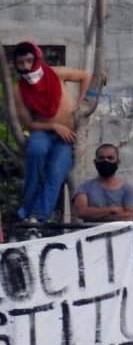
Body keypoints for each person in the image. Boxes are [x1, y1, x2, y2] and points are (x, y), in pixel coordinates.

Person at [11, 41, 95, 223]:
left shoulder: (55, 73)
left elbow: (86, 76)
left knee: (56, 172)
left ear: (37, 58)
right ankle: (27, 208)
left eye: (29, 60)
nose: (26, 66)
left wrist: (81, 102)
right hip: (43, 131)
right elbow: (28, 123)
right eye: (21, 63)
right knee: (35, 153)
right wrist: (55, 126)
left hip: (66, 138)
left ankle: (37, 217)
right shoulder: (19, 90)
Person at [72, 143, 133, 222]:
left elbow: (130, 216)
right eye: (101, 158)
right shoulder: (84, 187)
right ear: (95, 162)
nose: (105, 161)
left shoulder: (128, 189)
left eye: (110, 158)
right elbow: (80, 212)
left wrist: (97, 216)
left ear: (118, 162)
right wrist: (112, 210)